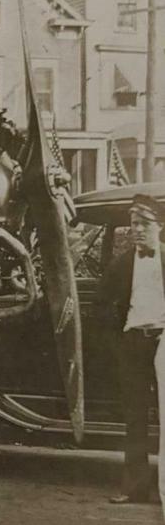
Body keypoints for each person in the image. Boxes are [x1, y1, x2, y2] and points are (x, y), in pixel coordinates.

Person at [100, 194, 165, 505]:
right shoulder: (122, 264)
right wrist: (119, 342)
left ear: (159, 226)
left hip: (164, 341)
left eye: (145, 224)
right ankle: (135, 488)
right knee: (135, 416)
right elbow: (101, 305)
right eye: (134, 224)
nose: (138, 230)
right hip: (134, 343)